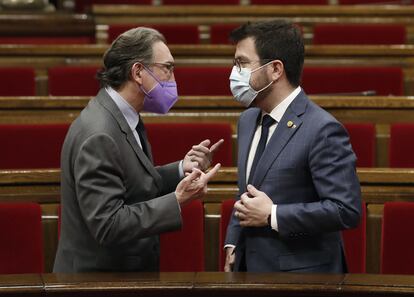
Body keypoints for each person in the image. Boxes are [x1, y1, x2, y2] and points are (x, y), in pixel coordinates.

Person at [53, 27, 222, 272]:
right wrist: (177, 200)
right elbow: (108, 224)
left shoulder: (121, 115)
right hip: (96, 282)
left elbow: (133, 182)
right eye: (168, 68)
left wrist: (180, 169)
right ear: (139, 72)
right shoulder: (99, 134)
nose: (173, 80)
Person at [224, 20, 361, 273]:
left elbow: (345, 210)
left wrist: (273, 214)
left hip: (303, 277)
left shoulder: (322, 129)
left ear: (275, 69)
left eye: (242, 63)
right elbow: (246, 192)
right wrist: (233, 241)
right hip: (249, 270)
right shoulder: (247, 120)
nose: (234, 73)